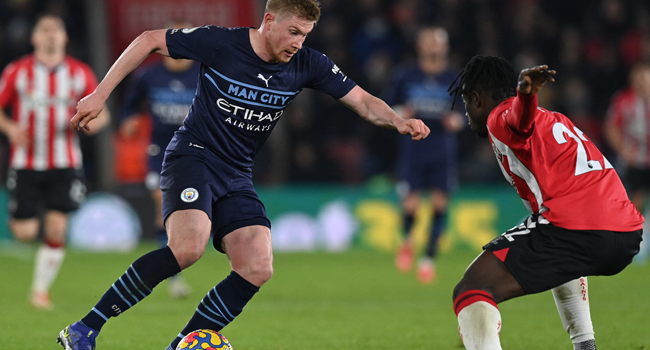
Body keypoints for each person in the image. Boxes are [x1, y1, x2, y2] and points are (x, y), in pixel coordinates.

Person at [56, 1, 429, 349]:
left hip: (236, 172)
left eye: (306, 34)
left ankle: (180, 345)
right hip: (194, 156)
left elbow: (362, 100)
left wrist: (397, 120)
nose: (299, 43)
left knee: (257, 265)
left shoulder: (308, 64)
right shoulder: (222, 43)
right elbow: (149, 40)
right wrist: (100, 94)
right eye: (294, 32)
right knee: (188, 247)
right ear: (269, 21)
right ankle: (84, 328)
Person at [447, 56, 643, 350]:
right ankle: (585, 346)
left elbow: (518, 122)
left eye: (465, 104)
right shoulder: (557, 120)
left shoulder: (498, 118)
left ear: (477, 99)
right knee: (557, 248)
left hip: (577, 226)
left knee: (471, 289)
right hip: (625, 232)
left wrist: (526, 94)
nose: (466, 114)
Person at [0, 14, 109, 310]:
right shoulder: (17, 71)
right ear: (34, 38)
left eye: (55, 31)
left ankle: (39, 291)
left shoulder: (80, 73)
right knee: (24, 233)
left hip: (65, 162)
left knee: (57, 227)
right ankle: (22, 222)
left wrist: (91, 125)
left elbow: (103, 115)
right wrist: (11, 129)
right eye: (44, 31)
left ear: (64, 38)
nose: (50, 36)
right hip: (26, 162)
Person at [119, 18, 200, 299]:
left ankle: (173, 261)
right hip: (160, 150)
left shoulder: (206, 73)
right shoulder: (148, 75)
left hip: (197, 151)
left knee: (186, 215)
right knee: (162, 202)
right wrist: (128, 119)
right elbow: (129, 105)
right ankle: (174, 277)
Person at [384, 25, 464, 284]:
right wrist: (401, 113)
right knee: (411, 204)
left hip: (442, 150)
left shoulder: (454, 78)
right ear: (420, 46)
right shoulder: (406, 76)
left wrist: (459, 122)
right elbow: (390, 106)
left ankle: (428, 259)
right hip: (413, 149)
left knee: (440, 203)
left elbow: (466, 114)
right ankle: (407, 240)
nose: (434, 46)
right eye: (429, 42)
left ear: (445, 47)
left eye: (438, 42)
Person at [604, 61, 650, 263]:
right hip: (637, 159)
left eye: (645, 77)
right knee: (636, 202)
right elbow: (611, 126)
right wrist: (623, 150)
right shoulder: (624, 101)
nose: (642, 82)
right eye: (638, 78)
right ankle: (637, 244)